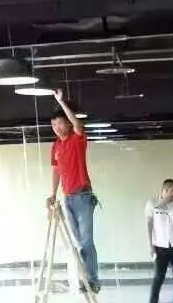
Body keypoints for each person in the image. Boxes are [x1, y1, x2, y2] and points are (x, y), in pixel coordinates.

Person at [47, 89, 100, 293]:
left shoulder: (77, 139)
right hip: (68, 198)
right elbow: (56, 171)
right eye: (53, 125)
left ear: (67, 124)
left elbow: (78, 124)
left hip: (83, 197)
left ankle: (93, 280)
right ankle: (84, 278)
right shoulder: (55, 147)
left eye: (60, 123)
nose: (57, 127)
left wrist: (61, 102)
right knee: (77, 243)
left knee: (86, 241)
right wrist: (53, 194)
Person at [145, 179, 173, 303]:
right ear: (165, 190)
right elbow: (149, 225)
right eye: (171, 192)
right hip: (159, 247)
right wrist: (150, 245)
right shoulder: (152, 203)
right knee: (159, 277)